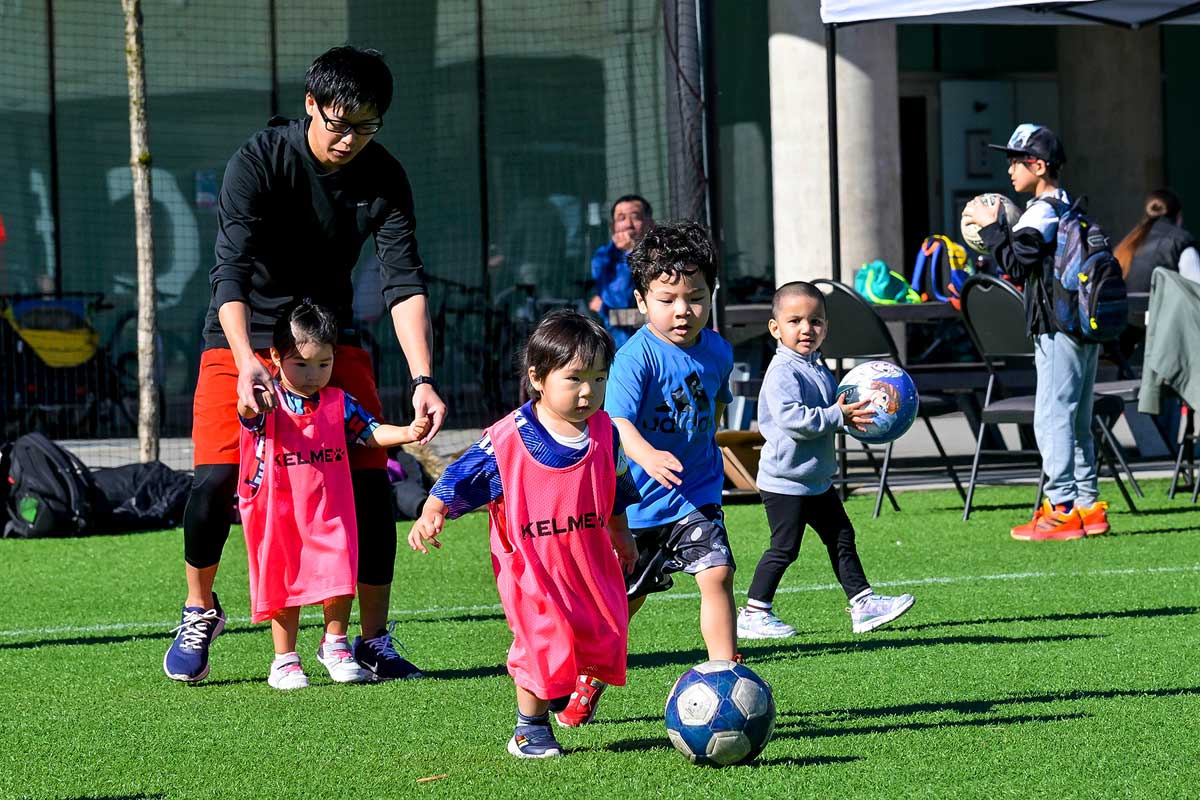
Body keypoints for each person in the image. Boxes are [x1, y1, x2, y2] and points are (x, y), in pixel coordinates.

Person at [164, 46, 446, 684]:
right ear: (311, 105)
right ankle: (199, 606)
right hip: (241, 337)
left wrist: (423, 378)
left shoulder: (385, 176)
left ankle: (371, 639)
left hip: (325, 341)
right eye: (339, 123)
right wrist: (244, 361)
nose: (349, 140)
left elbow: (404, 281)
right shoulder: (258, 161)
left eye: (367, 127)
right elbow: (228, 272)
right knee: (212, 484)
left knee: (373, 484)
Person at [407, 310, 639, 758]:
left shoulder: (605, 433)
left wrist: (622, 534)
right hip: (532, 569)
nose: (588, 391)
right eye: (574, 379)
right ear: (537, 377)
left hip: (587, 564)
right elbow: (463, 472)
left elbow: (615, 488)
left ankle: (558, 690)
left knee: (598, 636)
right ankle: (527, 730)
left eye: (599, 378)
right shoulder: (509, 439)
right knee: (541, 642)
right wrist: (434, 509)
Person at [562, 220, 737, 727]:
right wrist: (647, 455)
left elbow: (716, 406)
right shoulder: (635, 358)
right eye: (667, 298)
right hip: (638, 504)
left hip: (695, 496)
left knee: (718, 572)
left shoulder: (719, 351)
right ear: (642, 300)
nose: (683, 310)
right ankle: (591, 678)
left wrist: (711, 451)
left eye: (695, 297)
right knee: (623, 606)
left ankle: (725, 675)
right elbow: (617, 422)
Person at [238, 302, 429, 690]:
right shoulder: (266, 399)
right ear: (275, 357)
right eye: (302, 365)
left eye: (323, 365)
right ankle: (285, 659)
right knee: (284, 581)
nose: (313, 375)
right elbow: (247, 414)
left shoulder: (338, 402)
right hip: (282, 513)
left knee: (341, 574)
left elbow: (369, 431)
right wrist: (249, 395)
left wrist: (408, 433)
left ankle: (336, 644)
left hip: (331, 509)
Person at [737, 282, 915, 639]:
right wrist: (838, 416)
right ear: (776, 328)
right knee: (784, 549)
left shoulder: (816, 367)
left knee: (841, 537)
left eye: (816, 321)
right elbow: (793, 419)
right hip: (786, 482)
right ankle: (754, 612)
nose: (807, 329)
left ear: (826, 327)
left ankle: (863, 604)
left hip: (815, 479)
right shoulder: (782, 372)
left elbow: (831, 416)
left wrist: (859, 423)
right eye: (795, 321)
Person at [962, 123, 1107, 541]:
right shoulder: (1066, 206)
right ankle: (1088, 507)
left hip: (1058, 328)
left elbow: (1015, 263)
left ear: (1038, 165)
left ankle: (1060, 509)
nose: (1009, 170)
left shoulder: (1041, 211)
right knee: (1076, 418)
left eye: (1016, 160)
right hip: (1080, 326)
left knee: (1051, 418)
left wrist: (992, 228)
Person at [589, 195, 654, 347]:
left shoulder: (659, 257)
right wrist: (629, 253)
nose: (628, 225)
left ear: (650, 224)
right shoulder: (602, 257)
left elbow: (614, 312)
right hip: (612, 347)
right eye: (621, 218)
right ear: (613, 227)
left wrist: (606, 311)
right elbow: (620, 300)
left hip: (651, 343)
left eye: (635, 217)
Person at [1114, 189, 1199, 293]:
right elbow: (1196, 290)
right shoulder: (1180, 242)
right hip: (1163, 308)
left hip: (1130, 308)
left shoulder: (1126, 244)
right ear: (1179, 216)